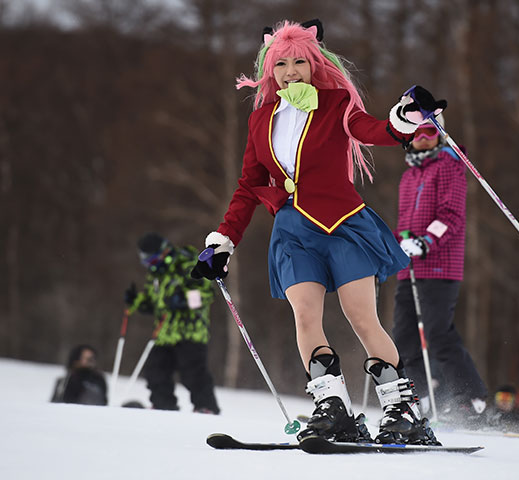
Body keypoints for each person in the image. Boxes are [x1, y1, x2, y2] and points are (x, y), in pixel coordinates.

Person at [190, 19, 447, 445]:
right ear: (269, 69)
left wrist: (404, 120)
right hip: (293, 231)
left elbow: (370, 130)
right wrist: (223, 241)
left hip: (344, 224)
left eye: (299, 63)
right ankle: (333, 410)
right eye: (281, 64)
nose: (291, 71)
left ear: (314, 64)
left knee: (361, 316)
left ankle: (402, 413)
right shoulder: (260, 121)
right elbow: (248, 186)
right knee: (305, 315)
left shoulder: (335, 101)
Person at [392, 119, 488, 427]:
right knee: (403, 336)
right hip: (409, 268)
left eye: (429, 131)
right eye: (416, 132)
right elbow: (404, 223)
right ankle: (419, 398)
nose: (422, 137)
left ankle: (469, 400)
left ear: (439, 134)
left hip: (439, 264)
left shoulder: (448, 165)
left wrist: (426, 241)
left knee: (437, 332)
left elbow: (451, 214)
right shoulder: (408, 176)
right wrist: (395, 247)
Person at [125, 232, 221, 414]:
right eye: (146, 262)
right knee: (155, 371)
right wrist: (136, 301)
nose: (150, 266)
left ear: (163, 252)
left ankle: (206, 407)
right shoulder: (156, 275)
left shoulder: (186, 264)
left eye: (152, 260)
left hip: (190, 330)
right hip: (164, 333)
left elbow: (207, 295)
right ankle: (163, 407)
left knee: (192, 373)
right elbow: (154, 302)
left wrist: (184, 300)